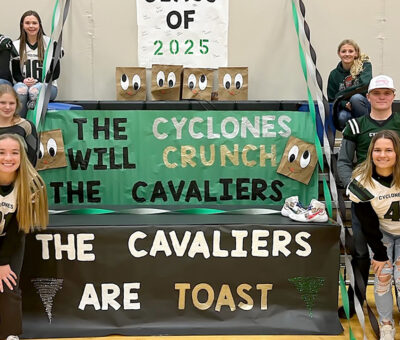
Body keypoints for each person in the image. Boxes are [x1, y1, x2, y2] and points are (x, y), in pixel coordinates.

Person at [337, 75, 400, 318]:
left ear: (393, 96)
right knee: (362, 252)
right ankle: (356, 302)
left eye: (387, 93)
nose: (382, 97)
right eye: (377, 93)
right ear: (368, 97)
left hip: (394, 197)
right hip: (366, 199)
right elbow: (343, 161)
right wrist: (353, 186)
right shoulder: (355, 126)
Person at [347, 130, 400, 340]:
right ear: (370, 153)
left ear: (397, 153)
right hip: (382, 232)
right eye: (377, 150)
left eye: (389, 150)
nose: (383, 155)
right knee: (383, 275)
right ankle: (386, 324)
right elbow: (367, 223)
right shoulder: (362, 181)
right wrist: (379, 254)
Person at [0, 133, 48, 340]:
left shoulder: (30, 185)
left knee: (8, 282)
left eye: (14, 152)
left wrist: (2, 263)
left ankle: (10, 334)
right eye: (1, 152)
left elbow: (17, 230)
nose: (8, 158)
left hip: (9, 241)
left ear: (23, 156)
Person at [12, 10, 61, 118]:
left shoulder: (51, 43)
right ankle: (21, 124)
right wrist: (23, 80)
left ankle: (34, 126)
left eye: (34, 23)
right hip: (23, 84)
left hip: (48, 86)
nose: (31, 26)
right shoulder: (15, 45)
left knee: (35, 90)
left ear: (40, 25)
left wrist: (37, 82)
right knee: (21, 89)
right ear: (22, 25)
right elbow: (15, 73)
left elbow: (55, 73)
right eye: (27, 23)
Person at [327, 39, 372, 131]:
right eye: (343, 51)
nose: (347, 54)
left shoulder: (365, 66)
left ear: (356, 53)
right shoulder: (334, 74)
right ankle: (350, 141)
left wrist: (340, 95)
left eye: (351, 51)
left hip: (364, 105)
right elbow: (332, 99)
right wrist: (343, 103)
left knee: (356, 98)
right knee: (342, 117)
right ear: (339, 54)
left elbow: (365, 85)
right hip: (346, 108)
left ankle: (366, 131)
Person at [0, 84, 39, 166]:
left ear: (17, 104)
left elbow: (33, 156)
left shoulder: (27, 126)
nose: (7, 107)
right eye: (2, 103)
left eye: (11, 103)